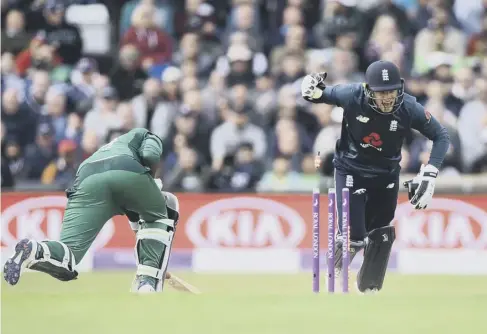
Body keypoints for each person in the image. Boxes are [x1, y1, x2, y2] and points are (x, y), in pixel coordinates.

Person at [301, 60, 450, 293]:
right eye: (381, 93)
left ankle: (368, 291)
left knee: (381, 235)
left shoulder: (408, 107)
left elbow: (441, 136)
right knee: (354, 237)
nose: (387, 98)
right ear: (368, 89)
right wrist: (309, 88)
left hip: (386, 175)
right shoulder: (351, 95)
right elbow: (317, 94)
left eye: (391, 91)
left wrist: (430, 173)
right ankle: (329, 282)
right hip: (351, 169)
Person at [3, 128, 180, 294]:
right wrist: (153, 179)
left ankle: (34, 249)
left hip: (87, 178)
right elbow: (150, 153)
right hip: (126, 170)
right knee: (166, 207)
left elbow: (139, 224)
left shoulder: (110, 149)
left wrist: (149, 253)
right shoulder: (145, 134)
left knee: (68, 257)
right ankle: (147, 283)